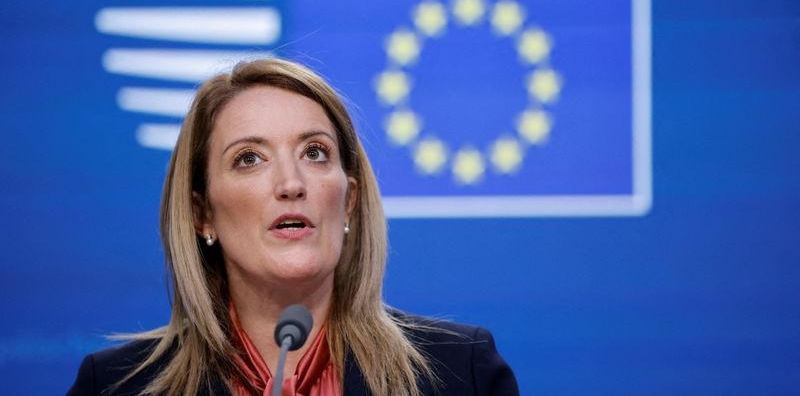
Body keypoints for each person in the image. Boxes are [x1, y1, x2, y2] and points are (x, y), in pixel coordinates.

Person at [67, 58, 518, 395]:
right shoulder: (112, 386)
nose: (291, 184)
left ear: (349, 202)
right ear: (202, 213)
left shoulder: (460, 371)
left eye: (315, 152)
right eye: (249, 159)